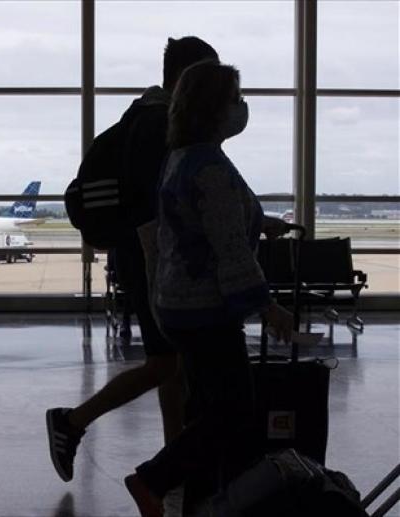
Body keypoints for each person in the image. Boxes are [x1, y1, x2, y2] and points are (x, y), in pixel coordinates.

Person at [123, 60, 294, 517]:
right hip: (206, 311)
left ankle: (202, 503)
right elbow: (231, 250)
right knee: (235, 411)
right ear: (214, 108)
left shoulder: (182, 157)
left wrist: (257, 221)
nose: (242, 107)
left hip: (177, 305)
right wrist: (268, 307)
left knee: (206, 411)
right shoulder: (212, 168)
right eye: (235, 99)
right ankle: (153, 478)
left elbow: (200, 225)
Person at [45, 37, 219, 483]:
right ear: (188, 79)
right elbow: (157, 207)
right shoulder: (159, 126)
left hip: (145, 258)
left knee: (169, 364)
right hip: (151, 260)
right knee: (166, 363)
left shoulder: (143, 119)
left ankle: (174, 458)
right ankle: (73, 422)